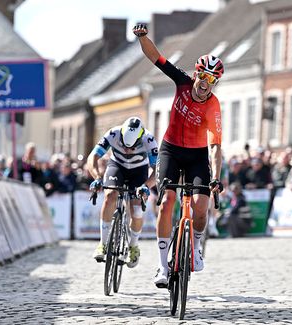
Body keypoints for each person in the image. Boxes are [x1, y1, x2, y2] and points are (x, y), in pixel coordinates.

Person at [133, 23, 224, 288]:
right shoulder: (182, 82)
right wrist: (143, 37)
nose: (206, 85)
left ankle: (195, 247)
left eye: (212, 81)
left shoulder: (213, 105)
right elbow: (155, 57)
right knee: (167, 201)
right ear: (196, 75)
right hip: (171, 149)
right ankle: (162, 267)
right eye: (203, 78)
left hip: (197, 155)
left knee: (200, 207)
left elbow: (216, 146)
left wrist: (216, 177)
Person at [87, 117, 158, 268]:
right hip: (117, 166)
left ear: (140, 139)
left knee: (137, 208)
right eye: (124, 145)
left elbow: (157, 170)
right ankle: (103, 243)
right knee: (110, 196)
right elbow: (92, 157)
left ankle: (133, 246)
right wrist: (97, 177)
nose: (127, 150)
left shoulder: (149, 139)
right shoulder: (113, 134)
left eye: (131, 147)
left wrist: (146, 186)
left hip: (139, 170)